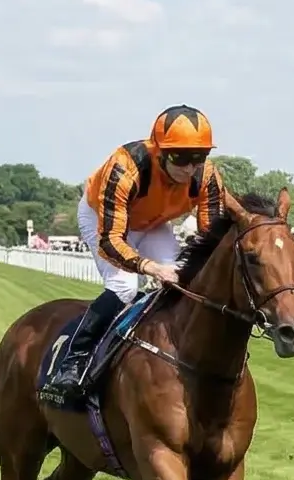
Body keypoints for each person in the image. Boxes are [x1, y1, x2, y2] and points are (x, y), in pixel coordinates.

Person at [44, 105, 245, 404]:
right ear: (159, 150)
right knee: (125, 285)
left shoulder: (207, 177)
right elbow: (112, 242)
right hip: (102, 219)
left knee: (182, 279)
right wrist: (150, 267)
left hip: (152, 223)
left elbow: (210, 238)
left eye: (199, 157)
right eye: (181, 157)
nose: (190, 168)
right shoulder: (124, 167)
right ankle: (74, 360)